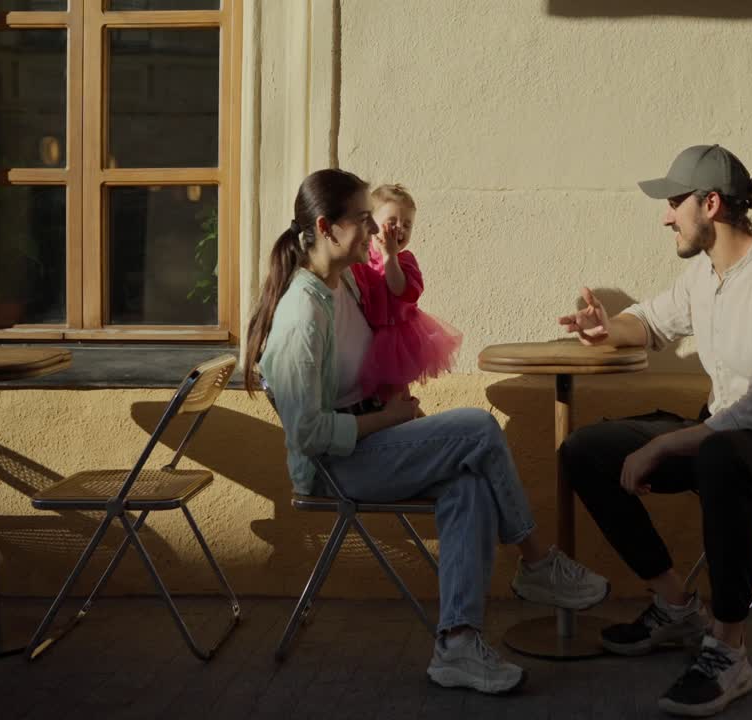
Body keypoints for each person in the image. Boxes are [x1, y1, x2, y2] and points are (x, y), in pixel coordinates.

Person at [244, 168, 609, 696]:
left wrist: (385, 403)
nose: (373, 230)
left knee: (470, 486)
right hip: (336, 466)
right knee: (479, 428)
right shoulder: (302, 314)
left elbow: (392, 308)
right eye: (363, 219)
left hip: (370, 441)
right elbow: (308, 433)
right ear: (325, 227)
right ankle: (535, 563)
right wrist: (387, 418)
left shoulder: (343, 281)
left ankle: (458, 646)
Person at [557, 145, 752, 717]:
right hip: (729, 437)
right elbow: (651, 321)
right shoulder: (704, 274)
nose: (666, 216)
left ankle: (730, 650)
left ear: (710, 204)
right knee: (585, 450)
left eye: (673, 202)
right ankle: (676, 604)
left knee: (720, 457)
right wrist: (607, 328)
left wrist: (666, 443)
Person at [350, 183, 463, 407]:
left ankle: (404, 419)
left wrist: (389, 256)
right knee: (368, 393)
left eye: (407, 224)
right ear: (372, 224)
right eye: (391, 223)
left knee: (394, 393)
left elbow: (400, 289)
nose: (399, 228)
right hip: (364, 334)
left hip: (395, 337)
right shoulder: (361, 258)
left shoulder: (405, 260)